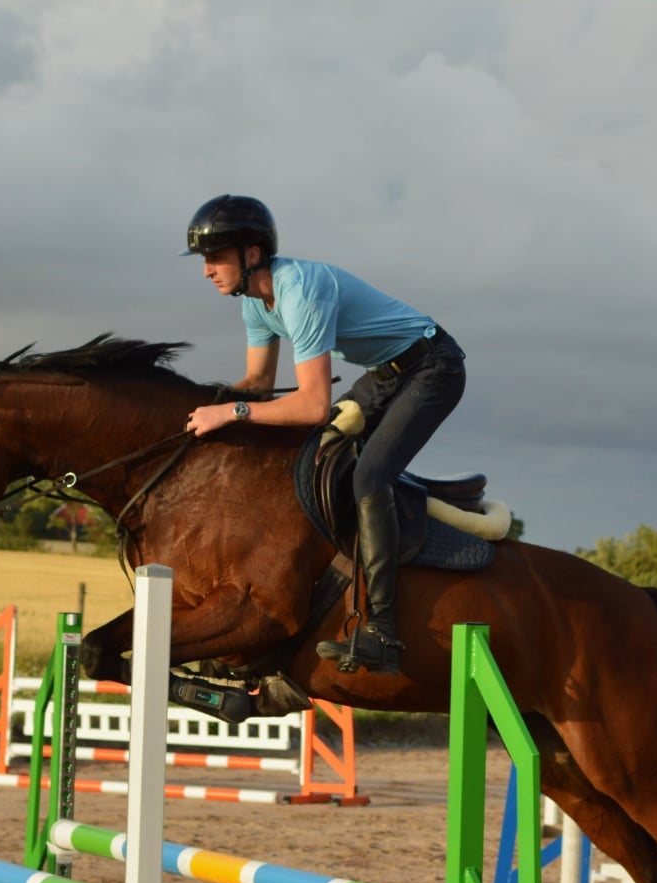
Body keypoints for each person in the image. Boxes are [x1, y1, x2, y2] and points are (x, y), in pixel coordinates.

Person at [182, 194, 466, 674]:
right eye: (205, 260)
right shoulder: (257, 300)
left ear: (252, 255)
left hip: (433, 368)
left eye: (215, 257)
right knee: (317, 460)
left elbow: (313, 405)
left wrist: (233, 411)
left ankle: (383, 632)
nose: (207, 270)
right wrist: (199, 405)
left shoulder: (298, 291)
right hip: (386, 374)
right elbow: (258, 385)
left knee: (368, 477)